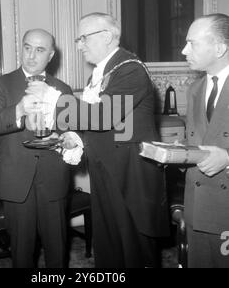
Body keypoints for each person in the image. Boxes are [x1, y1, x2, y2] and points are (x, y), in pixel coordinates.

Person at [28, 13, 170, 268]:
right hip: (107, 169)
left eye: (84, 37)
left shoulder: (130, 70)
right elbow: (99, 123)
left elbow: (105, 116)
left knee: (133, 250)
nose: (79, 44)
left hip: (130, 174)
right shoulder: (100, 74)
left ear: (106, 36)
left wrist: (52, 97)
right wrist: (74, 138)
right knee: (109, 247)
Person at [0, 29, 73, 268]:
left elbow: (71, 130)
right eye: (27, 47)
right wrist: (19, 110)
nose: (31, 55)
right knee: (22, 253)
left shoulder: (63, 89)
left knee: (57, 249)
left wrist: (64, 137)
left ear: (51, 55)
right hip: (16, 179)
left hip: (53, 176)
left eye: (40, 50)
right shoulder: (1, 84)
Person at [181, 13, 229, 268]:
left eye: (192, 43)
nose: (183, 50)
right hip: (197, 209)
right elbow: (198, 139)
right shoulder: (195, 89)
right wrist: (178, 153)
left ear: (219, 48)